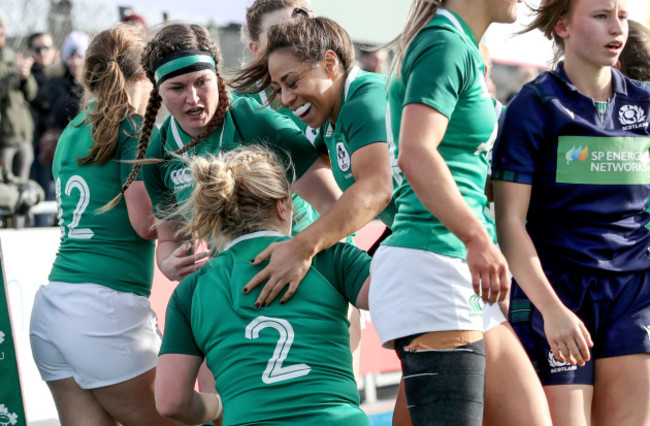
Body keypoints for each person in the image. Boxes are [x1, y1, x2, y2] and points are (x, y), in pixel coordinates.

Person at [365, 0, 527, 424]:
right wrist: (478, 238)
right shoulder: (444, 43)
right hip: (434, 267)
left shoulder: (458, 44)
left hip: (456, 268)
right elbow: (416, 153)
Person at [492, 0, 650, 425]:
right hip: (557, 291)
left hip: (634, 294)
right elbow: (508, 223)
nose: (616, 28)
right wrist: (551, 309)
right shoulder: (533, 105)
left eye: (621, 16)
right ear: (561, 25)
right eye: (600, 16)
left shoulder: (645, 106)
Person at [155, 146, 371, 426]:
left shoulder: (192, 290)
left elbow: (171, 402)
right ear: (283, 205)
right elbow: (398, 297)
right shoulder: (333, 258)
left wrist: (219, 407)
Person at [29, 24, 177, 426]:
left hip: (54, 306)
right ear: (147, 75)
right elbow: (145, 224)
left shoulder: (72, 130)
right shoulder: (134, 128)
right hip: (104, 310)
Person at [123, 22, 339, 283]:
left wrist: (302, 254)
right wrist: (169, 263)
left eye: (202, 82)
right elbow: (170, 239)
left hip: (306, 270)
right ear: (159, 92)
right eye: (177, 88)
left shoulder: (260, 124)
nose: (193, 98)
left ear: (218, 78)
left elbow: (334, 206)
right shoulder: (159, 152)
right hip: (236, 282)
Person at [0, 10, 37, 182]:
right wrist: (14, 75)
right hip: (3, 140)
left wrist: (25, 76)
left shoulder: (11, 56)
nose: (2, 31)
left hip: (23, 136)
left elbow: (31, 94)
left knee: (24, 188)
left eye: (3, 27)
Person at [28, 31, 59, 226]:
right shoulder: (27, 78)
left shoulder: (63, 76)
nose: (42, 53)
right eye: (37, 49)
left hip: (60, 145)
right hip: (35, 145)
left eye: (46, 47)